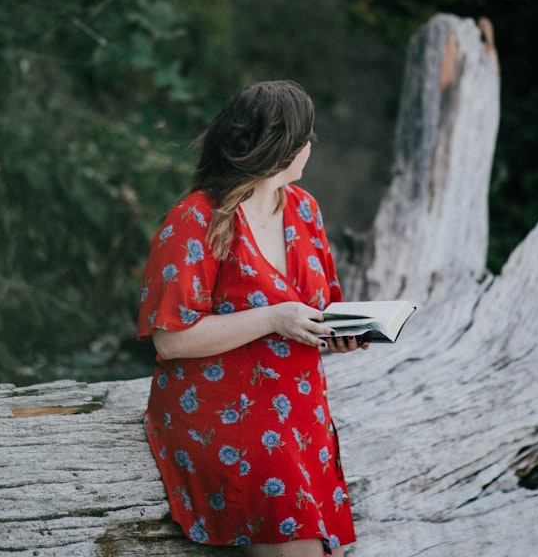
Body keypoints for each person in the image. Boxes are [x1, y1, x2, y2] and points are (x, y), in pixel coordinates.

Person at [137, 80, 366, 556]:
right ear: (280, 147)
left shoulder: (305, 210)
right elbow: (170, 341)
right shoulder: (195, 217)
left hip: (302, 414)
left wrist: (338, 334)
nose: (310, 148)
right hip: (224, 415)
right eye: (305, 138)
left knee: (330, 552)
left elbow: (316, 309)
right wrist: (273, 318)